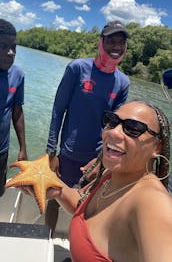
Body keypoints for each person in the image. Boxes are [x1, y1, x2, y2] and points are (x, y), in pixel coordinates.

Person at [22, 100, 172, 261]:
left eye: (133, 129)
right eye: (112, 122)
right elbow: (84, 207)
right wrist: (58, 189)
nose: (114, 132)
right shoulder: (112, 174)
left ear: (157, 147)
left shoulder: (152, 203)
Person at [45, 20, 130, 235]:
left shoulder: (123, 82)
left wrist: (102, 159)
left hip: (97, 160)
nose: (116, 47)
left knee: (88, 209)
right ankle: (46, 239)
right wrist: (51, 152)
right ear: (101, 42)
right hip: (67, 154)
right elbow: (58, 109)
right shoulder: (77, 68)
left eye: (121, 42)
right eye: (111, 40)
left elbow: (115, 126)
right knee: (54, 199)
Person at [0, 18, 28, 197]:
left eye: (14, 47)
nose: (11, 52)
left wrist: (22, 148)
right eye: (3, 46)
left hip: (2, 151)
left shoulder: (18, 75)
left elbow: (17, 112)